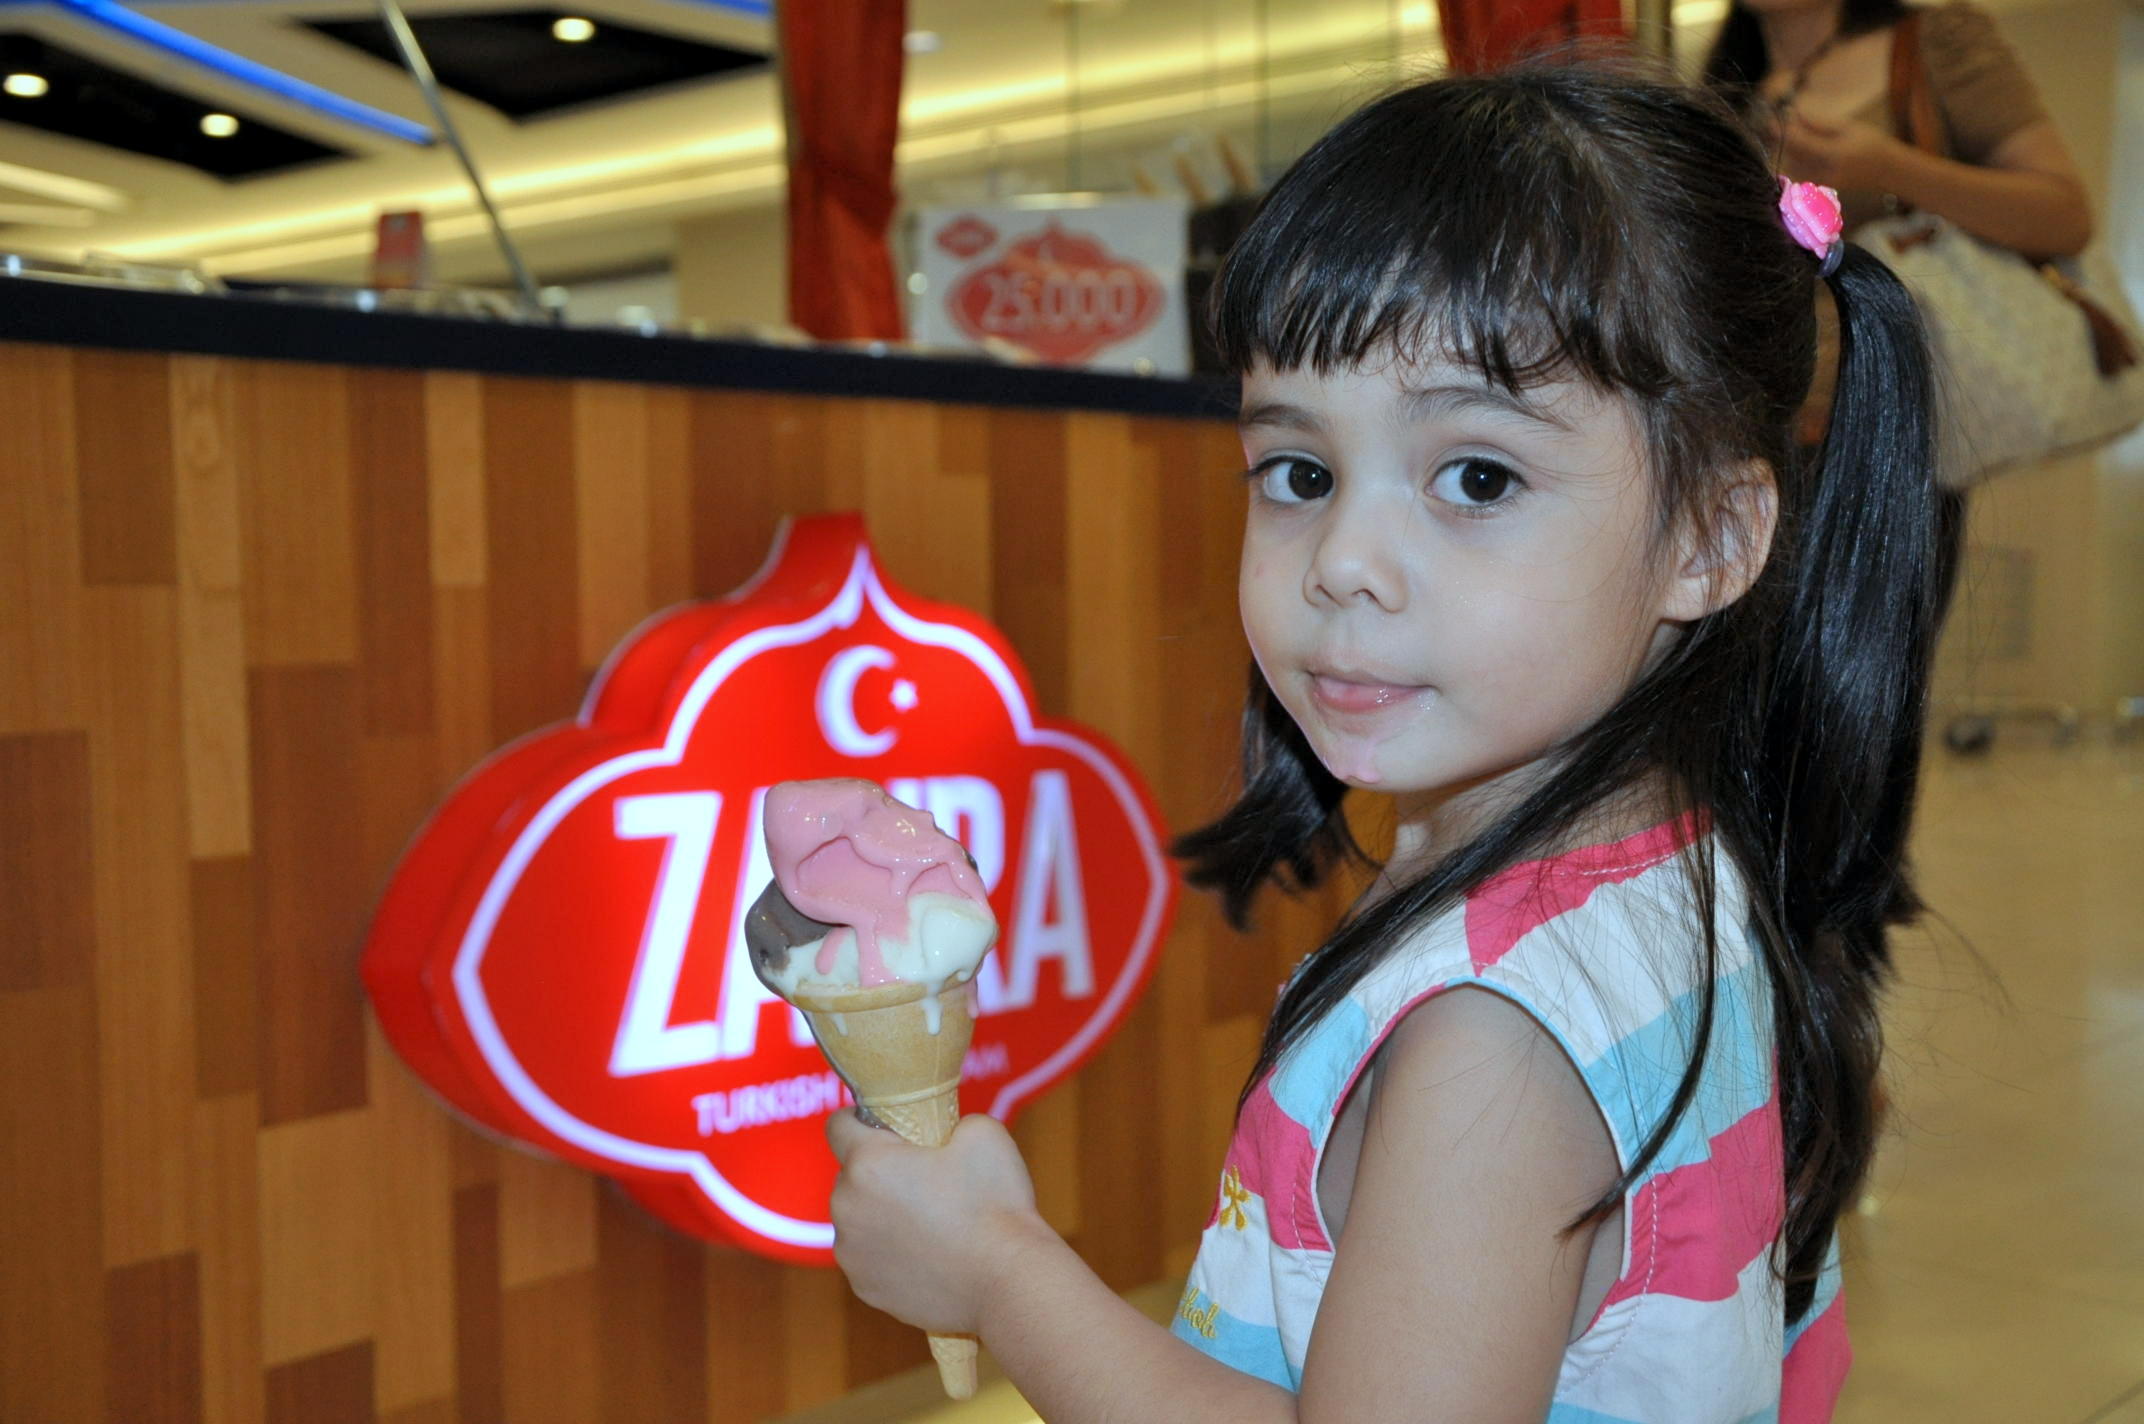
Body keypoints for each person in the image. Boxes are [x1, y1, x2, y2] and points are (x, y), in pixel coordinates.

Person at [821, 64, 1940, 1421]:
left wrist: (999, 1275)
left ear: (1711, 538)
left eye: (1477, 476)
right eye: (1300, 472)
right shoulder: (1674, 864)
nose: (1344, 561)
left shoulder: (1498, 1042)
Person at [1705, 0, 2093, 618]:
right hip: (1739, 433)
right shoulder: (1722, 80)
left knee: (1855, 692)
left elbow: (2065, 215)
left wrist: (1890, 169)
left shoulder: (1936, 42)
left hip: (1879, 437)